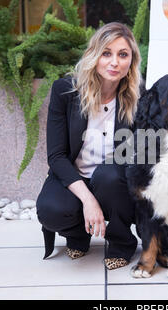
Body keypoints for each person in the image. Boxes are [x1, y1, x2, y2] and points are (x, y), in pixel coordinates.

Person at [36, 22, 141, 270]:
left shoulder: (138, 96)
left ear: (131, 62)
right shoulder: (66, 92)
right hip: (75, 177)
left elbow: (138, 154)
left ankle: (121, 243)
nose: (114, 62)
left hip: (114, 180)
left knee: (109, 174)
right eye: (107, 53)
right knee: (52, 210)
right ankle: (77, 234)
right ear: (94, 56)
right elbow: (57, 156)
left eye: (122, 54)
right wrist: (88, 200)